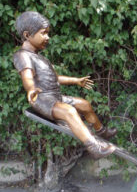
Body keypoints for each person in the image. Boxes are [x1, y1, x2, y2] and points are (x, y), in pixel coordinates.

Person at [13, 11, 116, 159]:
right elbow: (27, 76)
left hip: (56, 98)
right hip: (43, 100)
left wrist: (76, 80)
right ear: (27, 35)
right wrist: (31, 89)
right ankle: (94, 148)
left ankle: (101, 132)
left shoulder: (41, 58)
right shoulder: (22, 56)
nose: (47, 37)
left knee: (84, 104)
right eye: (43, 33)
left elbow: (55, 78)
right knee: (69, 111)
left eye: (47, 33)